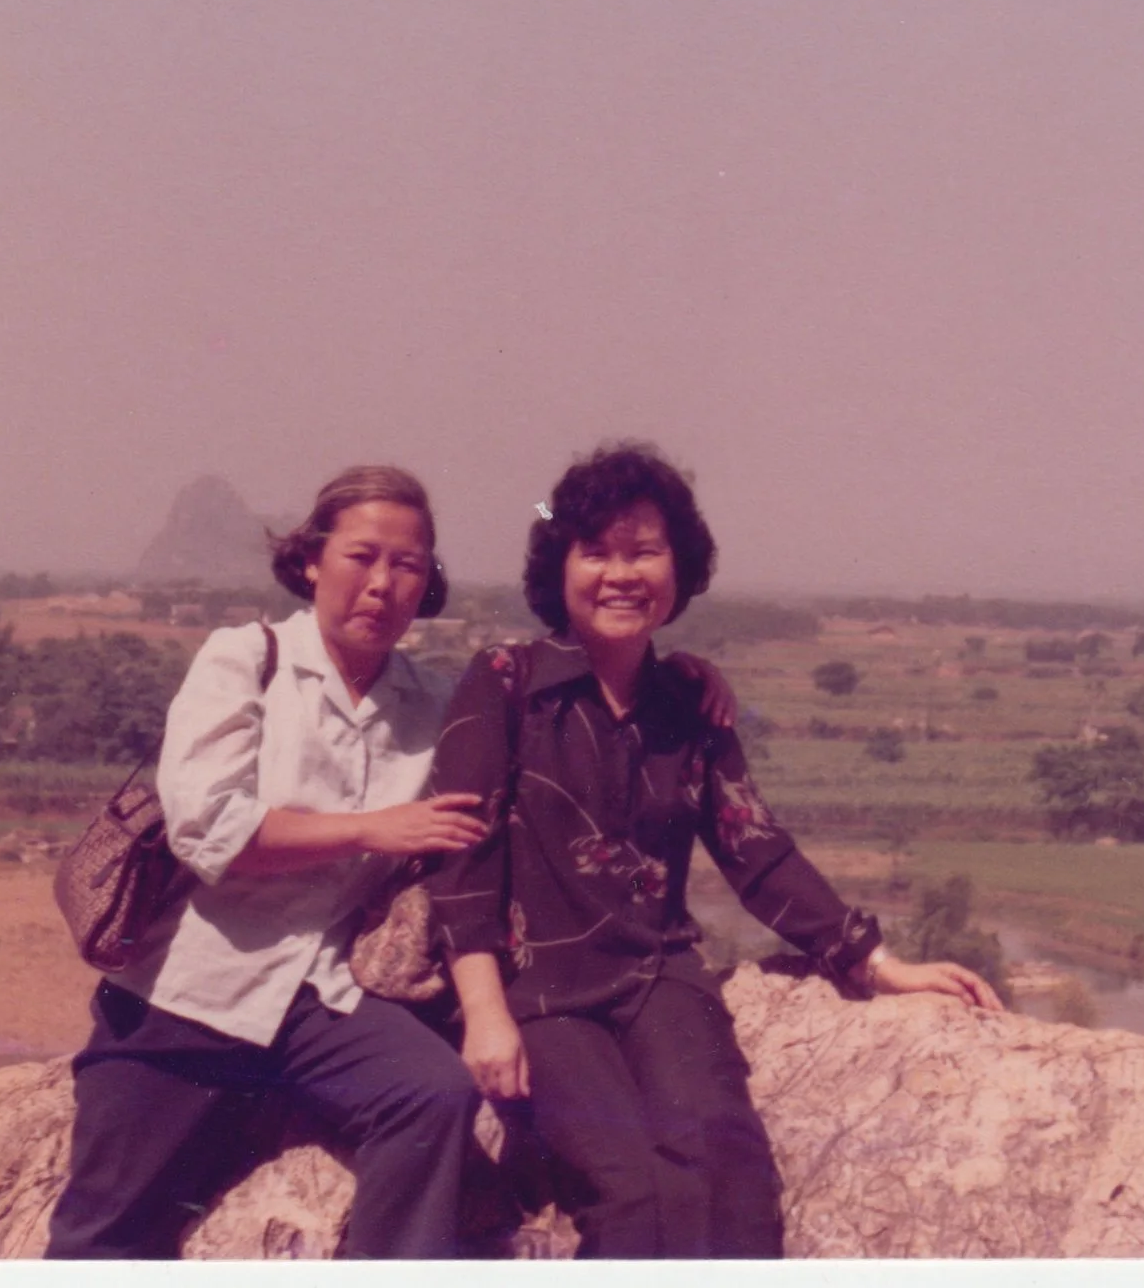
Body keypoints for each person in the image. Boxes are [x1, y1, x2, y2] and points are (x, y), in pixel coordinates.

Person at [46, 462, 744, 1259]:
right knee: (103, 1234)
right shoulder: (245, 659)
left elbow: (559, 691)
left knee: (430, 1094)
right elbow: (207, 828)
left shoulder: (440, 701)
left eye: (407, 565)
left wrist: (674, 671)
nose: (382, 583)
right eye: (362, 556)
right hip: (187, 996)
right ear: (312, 559)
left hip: (324, 1000)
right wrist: (372, 828)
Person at [426, 442, 1001, 1260]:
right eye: (596, 551)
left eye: (644, 551)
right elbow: (460, 850)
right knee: (633, 1193)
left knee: (727, 1161)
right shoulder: (505, 680)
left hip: (659, 977)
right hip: (538, 992)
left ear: (679, 569)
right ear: (559, 568)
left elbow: (754, 850)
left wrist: (878, 964)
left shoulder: (687, 702)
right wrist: (483, 1009)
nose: (620, 573)